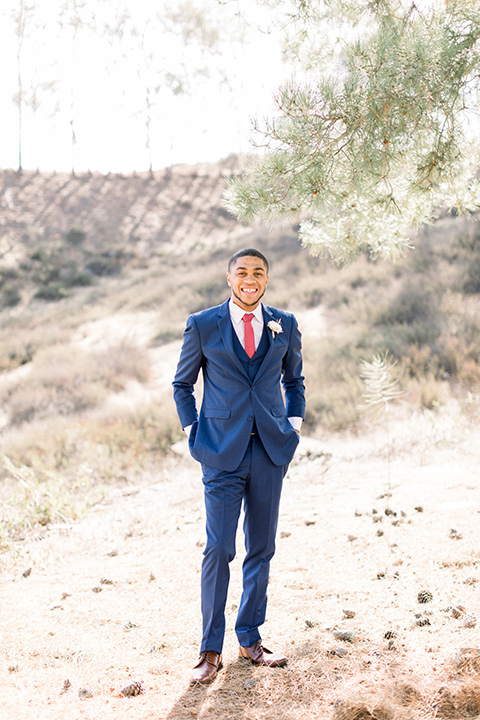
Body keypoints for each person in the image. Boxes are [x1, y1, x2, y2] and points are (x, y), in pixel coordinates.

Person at [172, 248, 306, 684]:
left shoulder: (284, 322)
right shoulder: (203, 323)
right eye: (243, 272)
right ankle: (210, 650)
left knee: (262, 547)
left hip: (270, 450)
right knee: (219, 549)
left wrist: (294, 423)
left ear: (267, 279)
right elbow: (182, 384)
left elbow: (294, 380)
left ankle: (250, 638)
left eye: (259, 273)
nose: (251, 279)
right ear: (229, 277)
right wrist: (194, 430)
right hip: (220, 452)